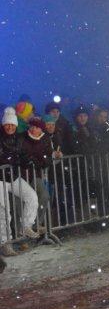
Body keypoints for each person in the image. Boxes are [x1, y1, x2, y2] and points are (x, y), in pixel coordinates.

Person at [0, 107, 40, 255]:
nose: (10, 127)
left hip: (13, 177)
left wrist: (29, 161)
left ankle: (26, 226)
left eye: (12, 124)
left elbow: (22, 155)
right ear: (3, 125)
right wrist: (10, 159)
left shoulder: (18, 139)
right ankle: (5, 243)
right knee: (4, 210)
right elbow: (5, 157)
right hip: (0, 179)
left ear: (16, 125)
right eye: (7, 124)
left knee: (32, 197)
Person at [22, 116, 51, 218]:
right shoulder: (22, 137)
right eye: (32, 126)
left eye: (37, 127)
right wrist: (31, 158)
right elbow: (21, 155)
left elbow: (48, 158)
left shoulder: (45, 139)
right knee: (24, 201)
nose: (34, 129)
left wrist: (40, 161)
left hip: (36, 175)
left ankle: (36, 222)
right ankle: (25, 224)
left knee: (44, 196)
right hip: (20, 176)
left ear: (41, 129)